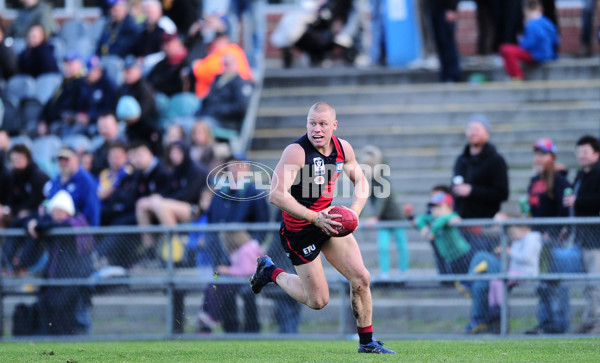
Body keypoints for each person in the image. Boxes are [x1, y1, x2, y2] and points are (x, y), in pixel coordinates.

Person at [250, 102, 395, 354]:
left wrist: (355, 212)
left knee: (361, 279)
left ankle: (367, 343)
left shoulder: (342, 148)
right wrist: (314, 218)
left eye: (323, 124)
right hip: (299, 230)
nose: (316, 129)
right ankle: (270, 271)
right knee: (318, 301)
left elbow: (361, 180)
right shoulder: (296, 151)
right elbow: (275, 195)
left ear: (333, 126)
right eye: (312, 123)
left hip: (328, 221)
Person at [26, 190, 94, 335]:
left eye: (59, 210)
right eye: (54, 211)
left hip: (75, 278)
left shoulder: (74, 223)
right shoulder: (58, 223)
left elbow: (47, 227)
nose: (55, 214)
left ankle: (69, 339)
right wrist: (31, 223)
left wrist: (36, 225)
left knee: (67, 311)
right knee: (46, 305)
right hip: (57, 276)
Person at [524, 137, 572, 335]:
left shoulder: (560, 180)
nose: (539, 158)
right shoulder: (535, 180)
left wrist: (555, 232)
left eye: (543, 154)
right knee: (542, 284)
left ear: (552, 157)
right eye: (537, 154)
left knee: (557, 283)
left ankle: (560, 324)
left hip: (554, 240)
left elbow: (564, 209)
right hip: (537, 240)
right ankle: (545, 322)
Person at [465, 212, 542, 334]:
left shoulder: (532, 238)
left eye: (513, 233)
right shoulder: (517, 239)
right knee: (484, 283)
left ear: (522, 228)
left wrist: (508, 251)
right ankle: (488, 313)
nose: (512, 236)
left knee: (482, 257)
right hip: (513, 271)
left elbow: (526, 257)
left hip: (524, 274)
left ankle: (499, 308)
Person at [135, 141, 207, 256]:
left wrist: (162, 200)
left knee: (162, 205)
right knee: (142, 204)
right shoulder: (176, 169)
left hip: (195, 209)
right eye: (172, 153)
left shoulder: (196, 170)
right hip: (175, 205)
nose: (174, 156)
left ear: (185, 152)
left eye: (177, 152)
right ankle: (149, 248)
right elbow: (167, 190)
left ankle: (175, 249)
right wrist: (158, 197)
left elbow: (188, 195)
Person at [452, 114, 509, 253]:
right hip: (462, 225)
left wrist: (472, 191)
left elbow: (502, 192)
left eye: (477, 129)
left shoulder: (496, 160)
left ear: (487, 133)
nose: (473, 133)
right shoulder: (461, 160)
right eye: (470, 129)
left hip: (484, 227)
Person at [564, 135, 600, 334]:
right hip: (582, 237)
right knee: (588, 284)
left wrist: (579, 201)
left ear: (596, 153)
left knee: (595, 282)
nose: (582, 156)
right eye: (579, 152)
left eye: (586, 152)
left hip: (596, 238)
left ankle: (596, 322)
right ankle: (590, 319)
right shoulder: (581, 175)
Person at [197, 230, 264, 333]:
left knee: (215, 285)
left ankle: (213, 316)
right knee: (211, 284)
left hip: (247, 282)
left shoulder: (246, 249)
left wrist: (227, 270)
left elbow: (247, 271)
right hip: (240, 280)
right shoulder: (244, 248)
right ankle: (205, 314)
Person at [360, 145, 409, 278]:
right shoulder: (369, 182)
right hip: (383, 220)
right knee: (383, 247)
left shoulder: (383, 180)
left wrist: (375, 217)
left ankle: (403, 271)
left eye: (370, 165)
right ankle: (385, 273)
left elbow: (382, 199)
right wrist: (356, 214)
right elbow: (362, 198)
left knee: (402, 245)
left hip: (395, 218)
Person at [499, 0, 560, 81]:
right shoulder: (548, 23)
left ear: (526, 11)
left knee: (505, 49)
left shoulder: (532, 24)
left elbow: (528, 44)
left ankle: (517, 76)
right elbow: (556, 40)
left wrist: (522, 40)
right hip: (550, 55)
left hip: (538, 55)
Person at [416, 192, 474, 276]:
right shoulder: (433, 218)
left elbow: (444, 219)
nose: (435, 210)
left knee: (466, 278)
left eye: (439, 207)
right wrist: (423, 227)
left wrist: (433, 232)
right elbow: (420, 218)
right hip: (450, 259)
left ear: (449, 208)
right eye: (433, 208)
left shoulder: (451, 216)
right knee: (456, 282)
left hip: (463, 255)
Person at [196, 54, 254, 135]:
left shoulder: (241, 83)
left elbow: (241, 107)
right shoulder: (217, 80)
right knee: (181, 124)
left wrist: (219, 111)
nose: (226, 66)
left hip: (225, 122)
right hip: (208, 117)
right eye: (224, 64)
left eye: (228, 63)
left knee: (198, 128)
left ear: (236, 64)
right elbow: (207, 100)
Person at [44, 146, 101, 227]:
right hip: (55, 229)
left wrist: (91, 233)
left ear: (76, 159)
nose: (63, 163)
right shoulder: (55, 181)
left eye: (66, 159)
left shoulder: (85, 180)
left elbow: (92, 210)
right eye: (60, 159)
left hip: (77, 231)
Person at [191, 32, 253, 99]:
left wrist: (198, 65)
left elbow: (205, 71)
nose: (214, 44)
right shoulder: (215, 54)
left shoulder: (230, 50)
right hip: (212, 95)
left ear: (223, 39)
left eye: (217, 41)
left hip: (233, 91)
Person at [39, 52, 86, 137]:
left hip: (63, 123)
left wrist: (49, 120)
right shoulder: (63, 84)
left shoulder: (81, 84)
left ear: (80, 65)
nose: (67, 67)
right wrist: (43, 120)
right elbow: (50, 103)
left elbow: (68, 107)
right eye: (66, 64)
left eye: (71, 64)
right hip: (52, 121)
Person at [76, 55, 118, 135]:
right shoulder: (88, 84)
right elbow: (83, 103)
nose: (87, 76)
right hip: (89, 121)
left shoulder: (109, 86)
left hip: (102, 123)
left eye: (90, 72)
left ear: (98, 70)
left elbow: (110, 110)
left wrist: (90, 117)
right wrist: (80, 114)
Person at [97, 140, 136, 226]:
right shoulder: (104, 174)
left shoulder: (128, 171)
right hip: (103, 210)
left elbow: (104, 195)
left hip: (122, 210)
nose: (115, 160)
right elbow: (99, 195)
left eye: (118, 157)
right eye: (112, 157)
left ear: (126, 157)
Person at [428, 0, 461, 82]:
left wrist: (452, 8)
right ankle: (444, 74)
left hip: (445, 9)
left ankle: (453, 74)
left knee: (447, 42)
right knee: (440, 42)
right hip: (434, 7)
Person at [118, 55, 157, 123]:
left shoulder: (144, 88)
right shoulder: (123, 87)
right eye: (126, 71)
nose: (127, 74)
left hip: (143, 124)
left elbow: (147, 111)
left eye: (130, 71)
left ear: (138, 71)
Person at [90, 112, 123, 177]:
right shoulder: (97, 150)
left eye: (107, 127)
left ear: (116, 125)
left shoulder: (126, 145)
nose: (105, 131)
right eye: (102, 127)